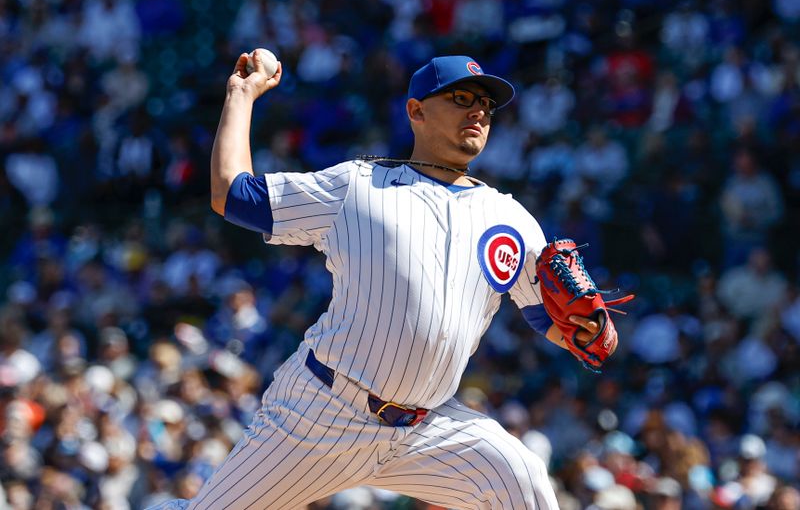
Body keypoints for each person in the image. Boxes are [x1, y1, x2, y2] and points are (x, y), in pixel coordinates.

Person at [149, 52, 605, 509]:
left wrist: (589, 335)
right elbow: (232, 192)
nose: (479, 111)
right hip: (322, 412)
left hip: (429, 428)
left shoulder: (512, 218)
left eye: (486, 103)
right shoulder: (358, 186)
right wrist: (241, 94)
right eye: (462, 98)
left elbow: (547, 318)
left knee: (521, 479)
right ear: (416, 111)